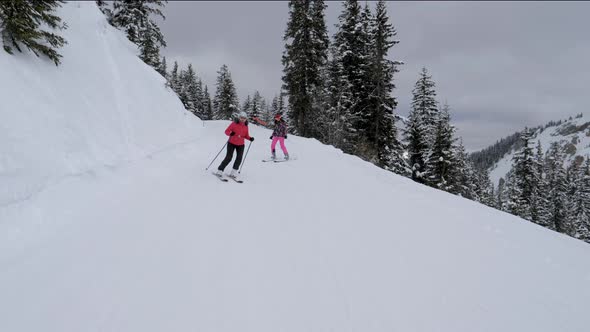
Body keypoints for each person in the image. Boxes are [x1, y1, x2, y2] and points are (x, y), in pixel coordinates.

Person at [216, 112, 255, 178]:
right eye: (241, 118)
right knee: (229, 157)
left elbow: (246, 135)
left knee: (239, 158)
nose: (243, 119)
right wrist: (230, 133)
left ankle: (233, 172)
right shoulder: (234, 124)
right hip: (231, 143)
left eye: (244, 118)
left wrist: (250, 138)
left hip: (241, 144)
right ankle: (220, 170)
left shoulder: (246, 126)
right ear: (239, 117)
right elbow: (226, 131)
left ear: (246, 119)